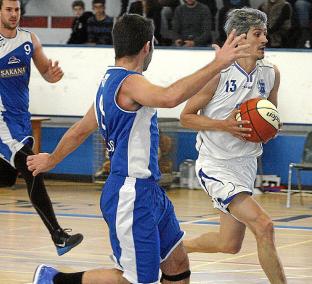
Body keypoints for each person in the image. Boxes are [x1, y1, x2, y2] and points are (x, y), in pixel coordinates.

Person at [30, 13, 249, 284]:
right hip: (130, 193)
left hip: (149, 191)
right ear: (148, 46)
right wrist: (217, 64)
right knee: (136, 279)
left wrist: (51, 158)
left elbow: (80, 130)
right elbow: (170, 97)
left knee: (177, 261)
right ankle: (54, 280)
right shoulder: (130, 83)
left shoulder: (108, 83)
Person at [180, 8, 287, 283]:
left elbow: (270, 112)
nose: (265, 39)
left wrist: (271, 128)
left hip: (246, 164)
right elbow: (186, 117)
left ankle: (169, 249)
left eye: (265, 33)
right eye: (258, 34)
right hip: (216, 164)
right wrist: (223, 125)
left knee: (229, 244)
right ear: (239, 38)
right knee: (264, 225)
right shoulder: (219, 74)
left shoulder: (271, 73)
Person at [0, 0, 83, 255]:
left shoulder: (29, 40)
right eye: (9, 10)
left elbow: (45, 70)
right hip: (2, 123)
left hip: (22, 121)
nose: (14, 14)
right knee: (33, 169)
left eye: (17, 10)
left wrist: (52, 75)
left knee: (6, 177)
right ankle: (58, 236)